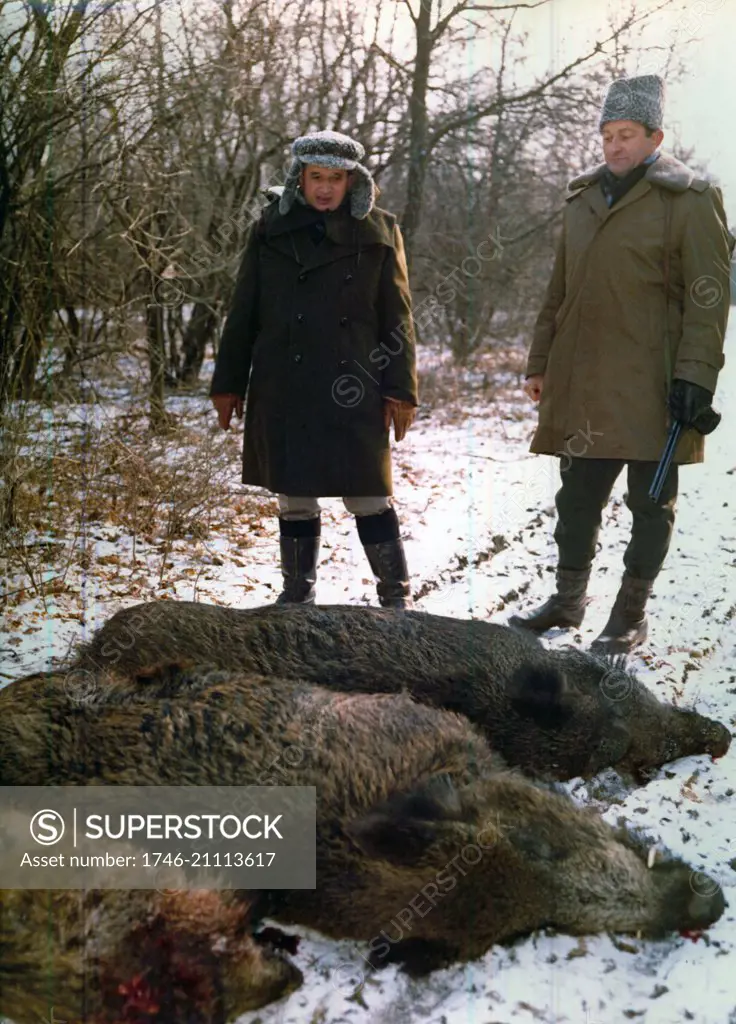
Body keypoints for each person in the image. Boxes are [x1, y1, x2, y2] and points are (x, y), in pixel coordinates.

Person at [509, 75, 734, 654]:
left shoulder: (690, 199)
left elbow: (707, 301)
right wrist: (539, 362)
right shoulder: (581, 198)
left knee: (650, 503)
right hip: (583, 380)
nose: (614, 146)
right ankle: (567, 600)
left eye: (626, 134)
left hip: (653, 386)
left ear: (655, 136)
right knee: (576, 498)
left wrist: (695, 377)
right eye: (607, 134)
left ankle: (630, 616)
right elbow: (558, 289)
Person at [210, 130, 418, 608]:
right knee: (294, 495)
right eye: (316, 176)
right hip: (285, 383)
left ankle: (396, 598)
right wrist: (227, 384)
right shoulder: (269, 229)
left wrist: (401, 390)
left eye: (336, 178)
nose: (325, 188)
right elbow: (244, 310)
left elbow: (398, 318)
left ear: (353, 182)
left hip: (354, 385)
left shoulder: (379, 232)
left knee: (367, 495)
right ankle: (296, 597)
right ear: (299, 179)